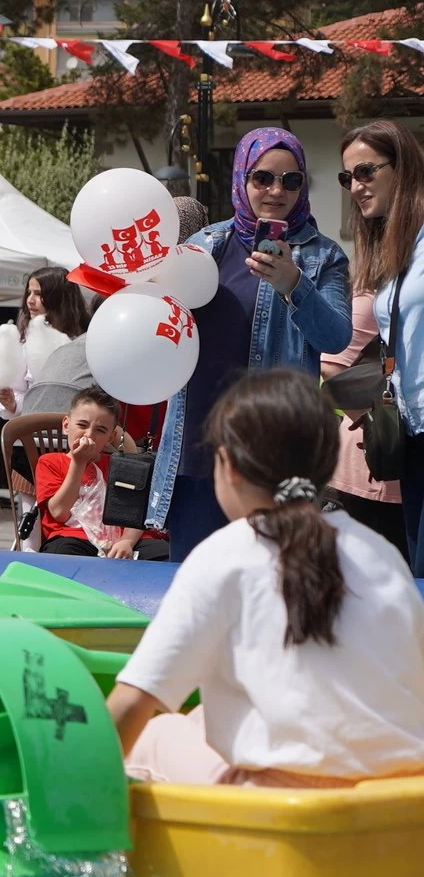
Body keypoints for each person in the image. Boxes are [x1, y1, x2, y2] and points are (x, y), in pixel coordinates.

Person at [111, 369, 424, 787]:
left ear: (230, 468)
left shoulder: (224, 556)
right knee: (205, 717)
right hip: (397, 800)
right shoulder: (382, 555)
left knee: (154, 737)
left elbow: (131, 704)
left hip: (285, 809)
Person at [148, 128, 352, 558]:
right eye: (263, 178)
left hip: (274, 455)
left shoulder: (323, 256)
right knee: (197, 588)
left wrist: (295, 284)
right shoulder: (203, 246)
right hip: (199, 453)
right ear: (241, 178)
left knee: (274, 587)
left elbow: (336, 337)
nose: (277, 190)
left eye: (291, 180)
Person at [340, 120, 424, 561]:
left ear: (403, 168)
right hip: (410, 437)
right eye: (348, 176)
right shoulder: (396, 250)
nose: (355, 186)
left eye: (366, 171)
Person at [34, 386, 170, 560]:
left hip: (123, 540)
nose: (89, 434)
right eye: (82, 425)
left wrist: (127, 540)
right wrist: (78, 462)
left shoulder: (120, 466)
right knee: (59, 555)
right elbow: (59, 512)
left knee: (164, 554)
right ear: (66, 425)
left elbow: (136, 512)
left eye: (100, 430)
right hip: (74, 537)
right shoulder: (51, 462)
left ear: (111, 437)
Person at [0, 267, 89, 418]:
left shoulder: (83, 342)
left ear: (58, 297)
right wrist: (11, 403)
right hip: (35, 431)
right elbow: (20, 392)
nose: (30, 300)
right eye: (29, 293)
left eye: (38, 294)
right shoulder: (24, 343)